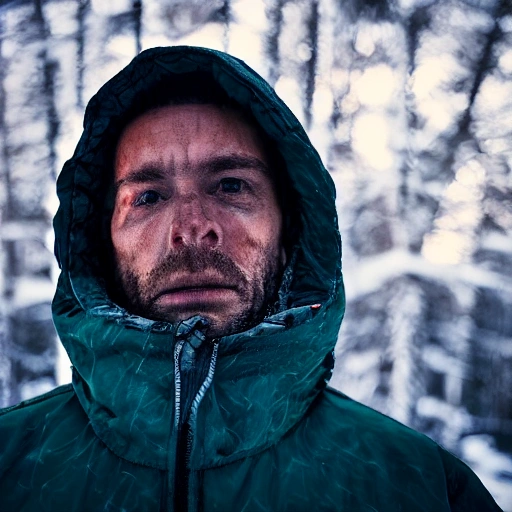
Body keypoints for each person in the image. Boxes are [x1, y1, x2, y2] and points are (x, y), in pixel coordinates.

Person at [0, 46, 502, 512]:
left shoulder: (419, 487)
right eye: (149, 197)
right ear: (101, 242)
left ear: (291, 232)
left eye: (231, 185)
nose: (192, 229)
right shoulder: (13, 470)